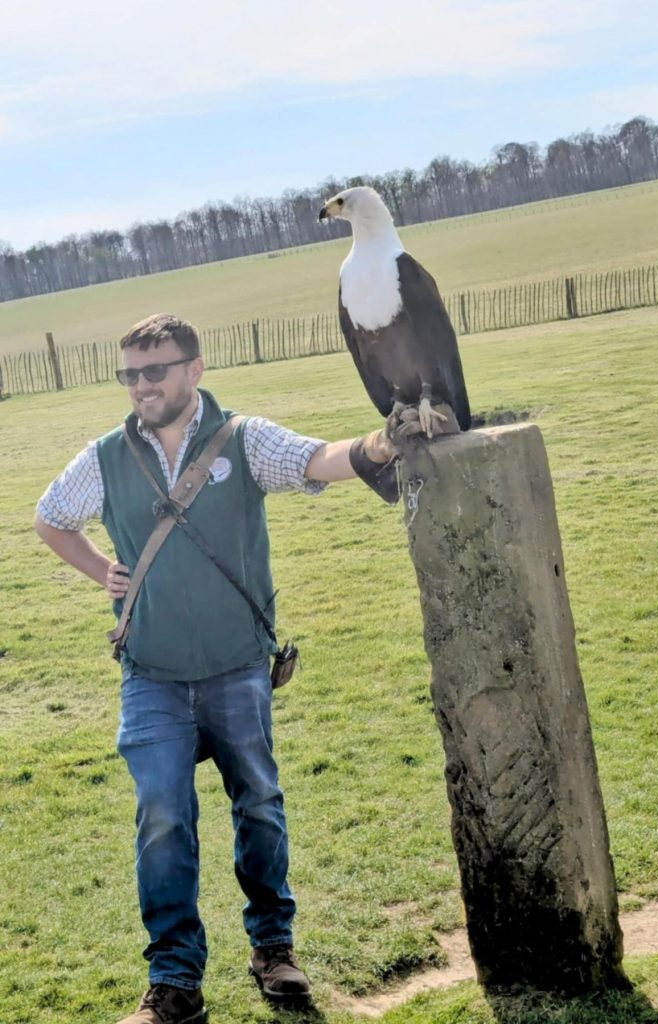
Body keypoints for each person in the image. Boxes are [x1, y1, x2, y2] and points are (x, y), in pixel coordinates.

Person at [34, 313, 398, 1024]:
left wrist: (380, 444)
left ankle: (273, 948)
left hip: (237, 667)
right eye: (130, 374)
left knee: (258, 804)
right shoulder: (105, 456)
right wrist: (101, 570)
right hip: (151, 673)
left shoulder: (243, 438)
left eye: (156, 371)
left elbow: (315, 459)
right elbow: (51, 516)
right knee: (163, 817)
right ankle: (174, 984)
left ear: (195, 370)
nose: (142, 386)